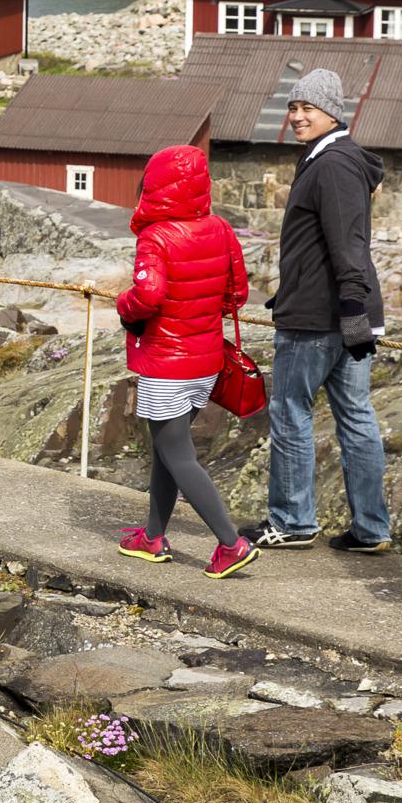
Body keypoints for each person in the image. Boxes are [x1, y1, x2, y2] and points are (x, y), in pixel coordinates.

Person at [246, 67, 393, 552]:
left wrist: (349, 305)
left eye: (308, 108)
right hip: (340, 310)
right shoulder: (337, 159)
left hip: (323, 316)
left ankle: (292, 521)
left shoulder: (331, 165)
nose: (297, 116)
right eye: (293, 107)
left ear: (332, 113)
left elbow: (346, 241)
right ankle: (371, 529)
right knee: (355, 416)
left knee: (291, 412)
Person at [112, 144, 259, 580]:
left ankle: (231, 544)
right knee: (167, 448)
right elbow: (237, 294)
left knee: (178, 453)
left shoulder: (156, 237)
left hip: (167, 363)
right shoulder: (220, 228)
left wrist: (124, 302)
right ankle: (152, 537)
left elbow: (148, 296)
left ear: (155, 185)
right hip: (207, 360)